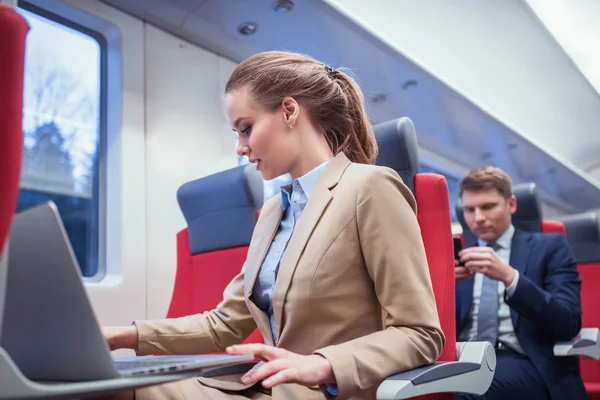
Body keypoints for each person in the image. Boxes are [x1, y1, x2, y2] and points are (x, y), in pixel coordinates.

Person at [103, 51, 444, 400]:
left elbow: (420, 332)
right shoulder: (273, 213)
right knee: (101, 386)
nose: (240, 148)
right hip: (263, 387)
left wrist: (322, 364)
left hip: (327, 391)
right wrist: (121, 335)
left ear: (289, 111)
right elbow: (223, 324)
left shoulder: (369, 187)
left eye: (246, 129)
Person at [454, 166, 586, 400]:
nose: (478, 218)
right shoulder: (456, 258)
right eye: (469, 209)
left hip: (522, 358)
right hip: (462, 356)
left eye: (487, 207)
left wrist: (510, 277)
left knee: (464, 394)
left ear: (511, 204)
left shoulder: (550, 247)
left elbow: (568, 321)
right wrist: (440, 288)